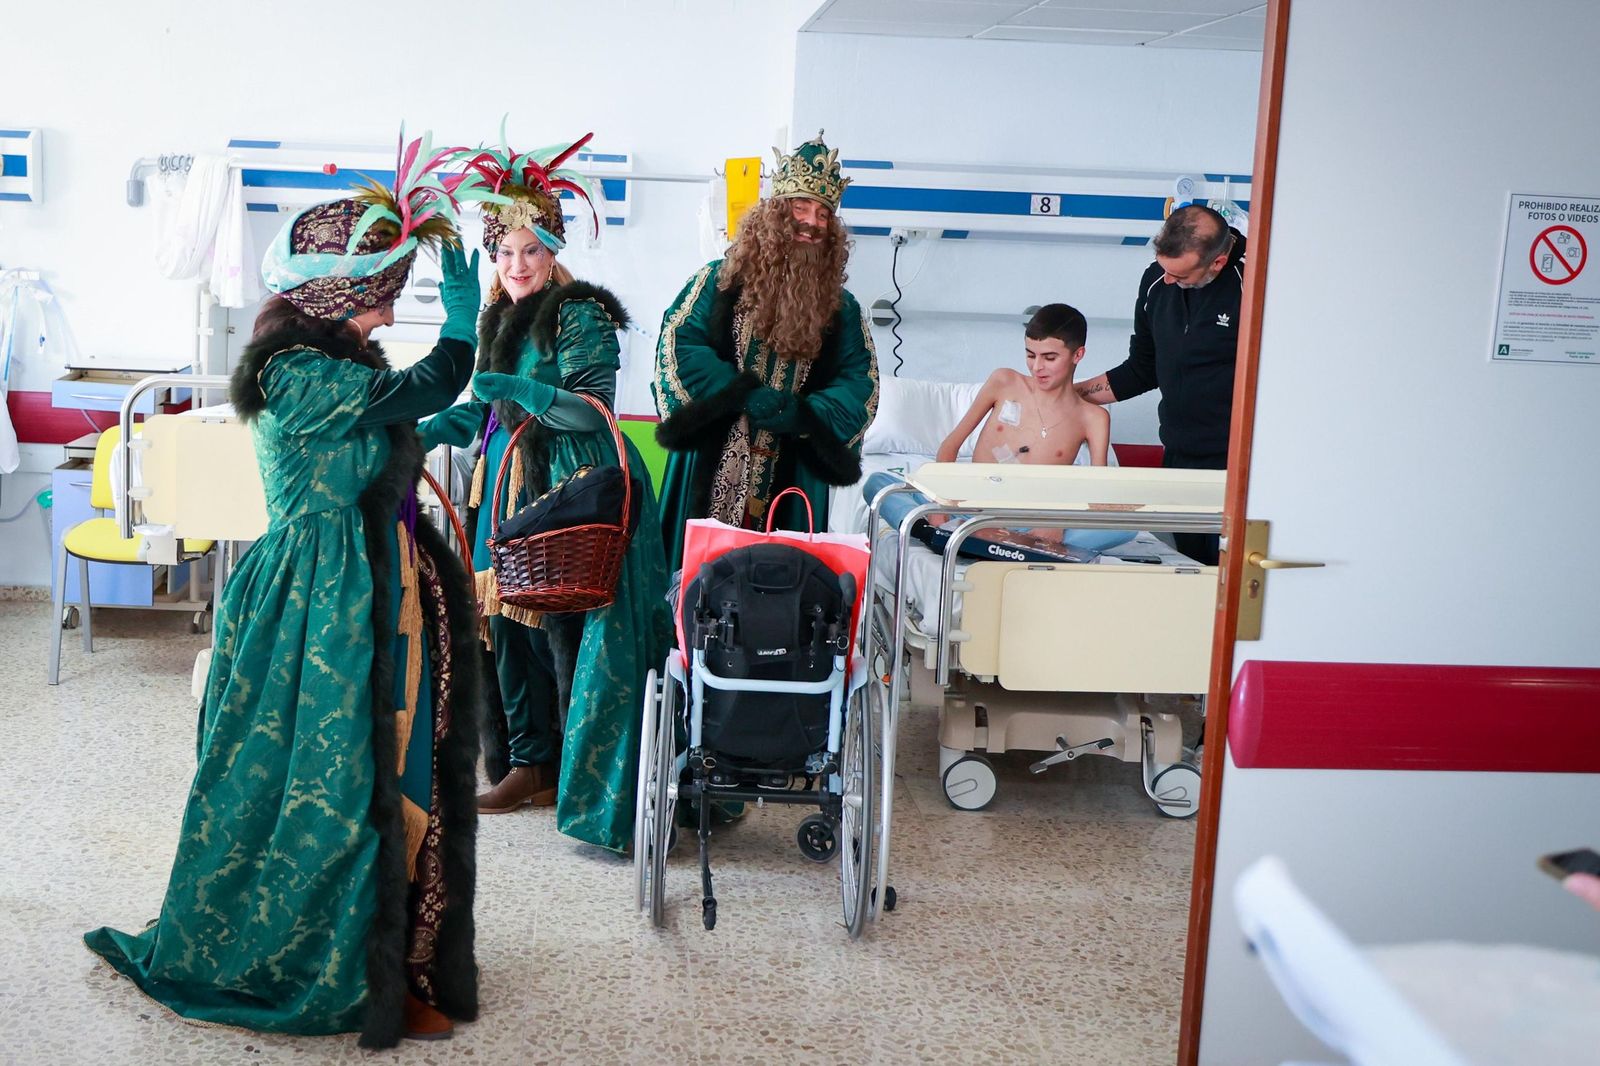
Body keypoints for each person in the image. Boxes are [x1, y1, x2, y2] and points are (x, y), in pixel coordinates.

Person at [84, 140, 489, 1046]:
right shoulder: (293, 371)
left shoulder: (336, 358)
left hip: (367, 584)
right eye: (387, 285)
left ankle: (394, 959)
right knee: (325, 784)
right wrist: (463, 324)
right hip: (314, 598)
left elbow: (404, 412)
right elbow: (424, 383)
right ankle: (322, 963)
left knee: (393, 771)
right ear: (341, 294)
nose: (395, 303)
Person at [417, 134, 671, 852]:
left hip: (575, 485)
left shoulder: (580, 313)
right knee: (507, 627)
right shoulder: (495, 315)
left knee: (566, 628)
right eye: (503, 252)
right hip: (504, 480)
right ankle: (526, 762)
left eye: (529, 250)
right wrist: (442, 419)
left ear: (553, 249)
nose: (516, 265)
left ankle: (574, 772)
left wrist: (525, 389)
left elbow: (591, 408)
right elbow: (489, 407)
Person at [653, 132, 879, 568]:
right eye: (800, 207)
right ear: (775, 213)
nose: (812, 221)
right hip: (711, 459)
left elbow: (860, 383)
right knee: (692, 589)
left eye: (822, 213)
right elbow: (679, 343)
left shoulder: (843, 308)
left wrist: (805, 414)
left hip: (793, 469)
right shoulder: (717, 280)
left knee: (781, 595)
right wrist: (738, 393)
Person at [1074, 204, 1245, 565]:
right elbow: (1143, 368)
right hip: (1180, 458)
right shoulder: (1157, 281)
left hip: (1237, 465)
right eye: (1163, 268)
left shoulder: (1252, 288)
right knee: (1192, 571)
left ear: (1216, 262)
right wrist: (1068, 396)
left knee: (1228, 578)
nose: (1167, 280)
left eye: (1180, 275)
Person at [936, 303, 1108, 467]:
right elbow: (949, 447)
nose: (1037, 367)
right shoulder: (1004, 383)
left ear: (1077, 355)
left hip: (1037, 498)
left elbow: (1100, 486)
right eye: (1031, 356)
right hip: (974, 495)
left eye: (1050, 358)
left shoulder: (1093, 419)